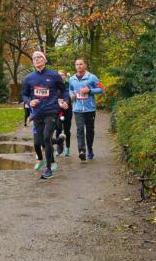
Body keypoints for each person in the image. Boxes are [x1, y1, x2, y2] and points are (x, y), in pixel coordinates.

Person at [21, 50, 68, 180]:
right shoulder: (29, 78)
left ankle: (48, 169)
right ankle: (58, 141)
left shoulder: (53, 75)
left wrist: (65, 100)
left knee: (46, 137)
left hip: (51, 111)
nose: (36, 59)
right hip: (37, 113)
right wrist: (30, 101)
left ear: (44, 60)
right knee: (40, 141)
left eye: (39, 57)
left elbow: (64, 90)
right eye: (34, 58)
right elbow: (24, 94)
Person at [67, 57, 104, 161]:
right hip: (77, 109)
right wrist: (71, 95)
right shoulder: (72, 79)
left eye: (81, 64)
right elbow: (70, 89)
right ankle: (82, 151)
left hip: (90, 109)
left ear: (85, 65)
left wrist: (90, 91)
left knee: (90, 131)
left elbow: (101, 90)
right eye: (77, 64)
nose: (79, 66)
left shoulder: (92, 77)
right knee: (79, 130)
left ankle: (90, 149)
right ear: (75, 66)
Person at [56, 69, 72, 156]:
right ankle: (59, 148)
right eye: (59, 75)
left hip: (67, 110)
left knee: (67, 130)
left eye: (63, 75)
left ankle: (67, 148)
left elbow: (71, 95)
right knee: (58, 128)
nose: (61, 76)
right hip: (57, 111)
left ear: (66, 77)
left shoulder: (68, 85)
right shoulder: (54, 86)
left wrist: (66, 102)